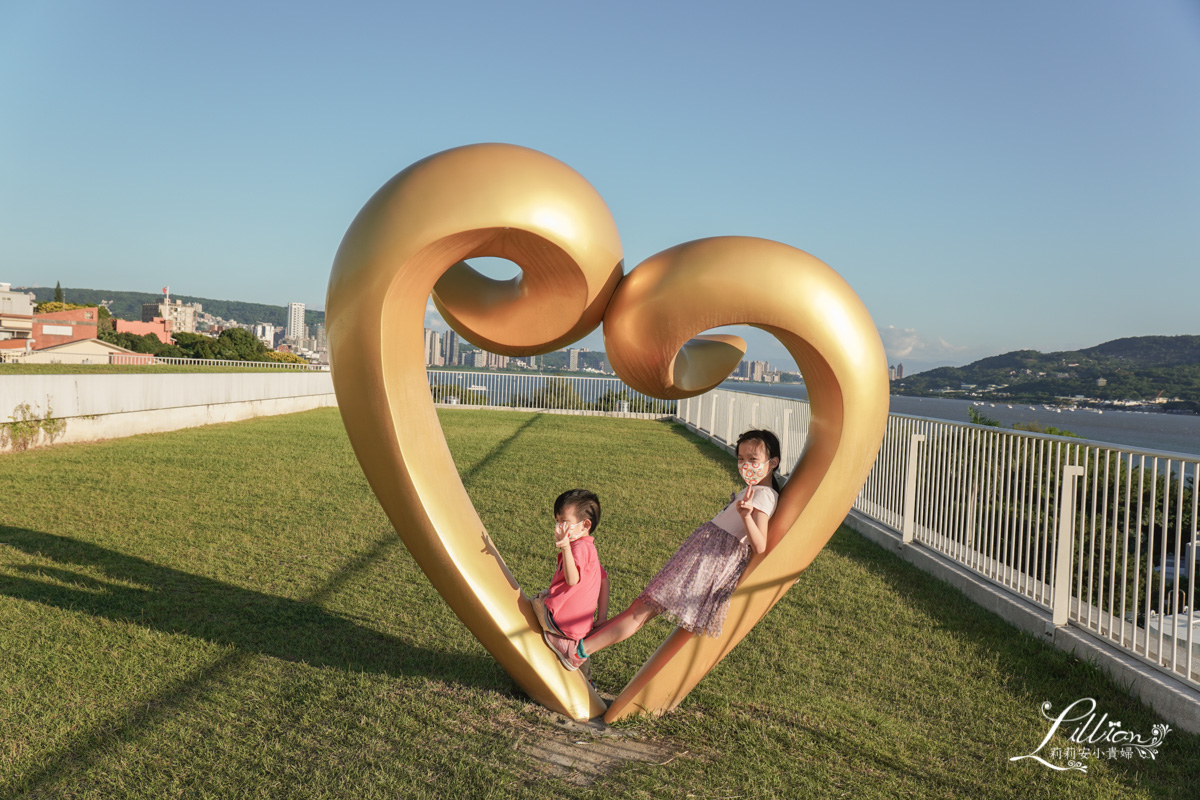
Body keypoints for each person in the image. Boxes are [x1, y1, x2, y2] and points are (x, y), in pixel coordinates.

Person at [544, 430, 782, 671]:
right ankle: (580, 644)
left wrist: (746, 516)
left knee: (640, 612)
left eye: (753, 459)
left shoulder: (764, 496)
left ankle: (578, 652)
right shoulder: (755, 491)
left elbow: (759, 545)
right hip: (698, 558)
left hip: (704, 564)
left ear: (773, 463)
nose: (745, 465)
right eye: (741, 459)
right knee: (639, 607)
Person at [531, 489, 610, 667]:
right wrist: (602, 617)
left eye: (564, 522)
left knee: (533, 603)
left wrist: (565, 547)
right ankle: (586, 677)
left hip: (560, 623)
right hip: (581, 628)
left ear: (585, 524)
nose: (559, 527)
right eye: (557, 521)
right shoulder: (590, 549)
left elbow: (572, 579)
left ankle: (560, 642)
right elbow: (604, 582)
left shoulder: (578, 548)